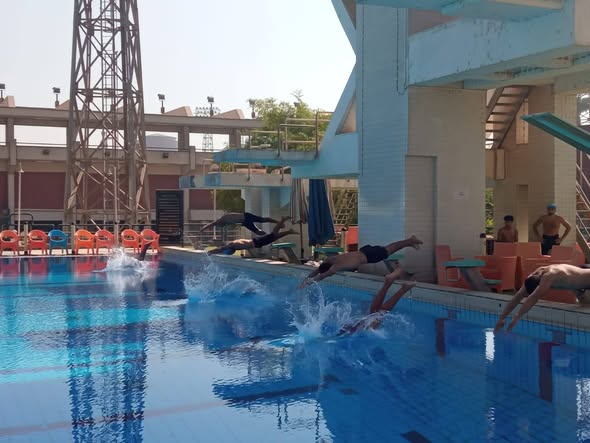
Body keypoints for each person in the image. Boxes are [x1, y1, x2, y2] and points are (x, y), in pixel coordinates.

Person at [494, 264, 590, 333]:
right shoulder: (535, 274)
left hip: (586, 279)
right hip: (578, 281)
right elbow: (517, 297)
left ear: (539, 286)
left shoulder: (549, 277)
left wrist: (516, 318)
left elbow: (533, 298)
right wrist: (502, 318)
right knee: (585, 304)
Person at [299, 235, 423, 287]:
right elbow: (317, 270)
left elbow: (321, 276)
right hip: (364, 250)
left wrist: (305, 285)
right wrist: (305, 280)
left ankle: (410, 240)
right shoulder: (330, 259)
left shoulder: (335, 268)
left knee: (391, 249)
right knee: (389, 248)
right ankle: (409, 242)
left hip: (368, 257)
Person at [338, 267, 415, 335]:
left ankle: (399, 288)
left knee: (375, 317)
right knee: (374, 315)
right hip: (346, 331)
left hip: (347, 334)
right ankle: (391, 284)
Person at [208, 216, 296, 255]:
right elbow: (222, 247)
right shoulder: (233, 243)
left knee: (273, 235)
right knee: (273, 237)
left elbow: (221, 249)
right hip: (255, 242)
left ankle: (283, 220)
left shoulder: (232, 245)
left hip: (256, 242)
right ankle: (289, 231)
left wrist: (210, 252)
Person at [200, 212, 279, 236]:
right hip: (245, 219)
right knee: (259, 228)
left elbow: (212, 224)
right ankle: (273, 232)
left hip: (246, 218)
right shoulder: (224, 220)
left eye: (222, 226)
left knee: (262, 221)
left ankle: (277, 224)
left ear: (221, 224)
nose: (223, 226)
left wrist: (203, 229)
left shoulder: (221, 220)